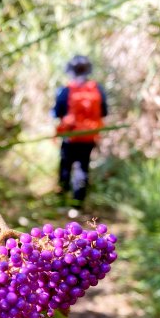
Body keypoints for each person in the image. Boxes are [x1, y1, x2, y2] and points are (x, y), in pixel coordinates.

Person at [53, 55, 108, 208]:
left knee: (65, 165)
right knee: (82, 166)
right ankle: (77, 203)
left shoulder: (65, 90)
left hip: (70, 136)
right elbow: (103, 112)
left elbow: (57, 112)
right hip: (89, 136)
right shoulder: (97, 90)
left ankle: (62, 200)